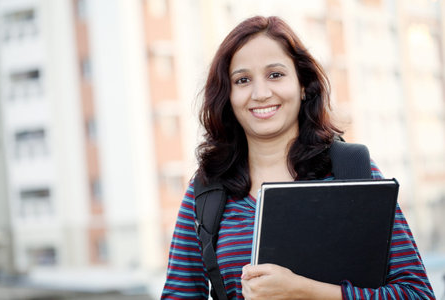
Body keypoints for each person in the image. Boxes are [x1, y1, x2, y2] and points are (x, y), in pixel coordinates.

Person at [161, 15, 435, 299]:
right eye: (242, 80)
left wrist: (304, 291)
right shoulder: (206, 192)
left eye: (275, 75)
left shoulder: (351, 170)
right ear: (228, 96)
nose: (261, 93)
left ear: (303, 85)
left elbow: (416, 293)